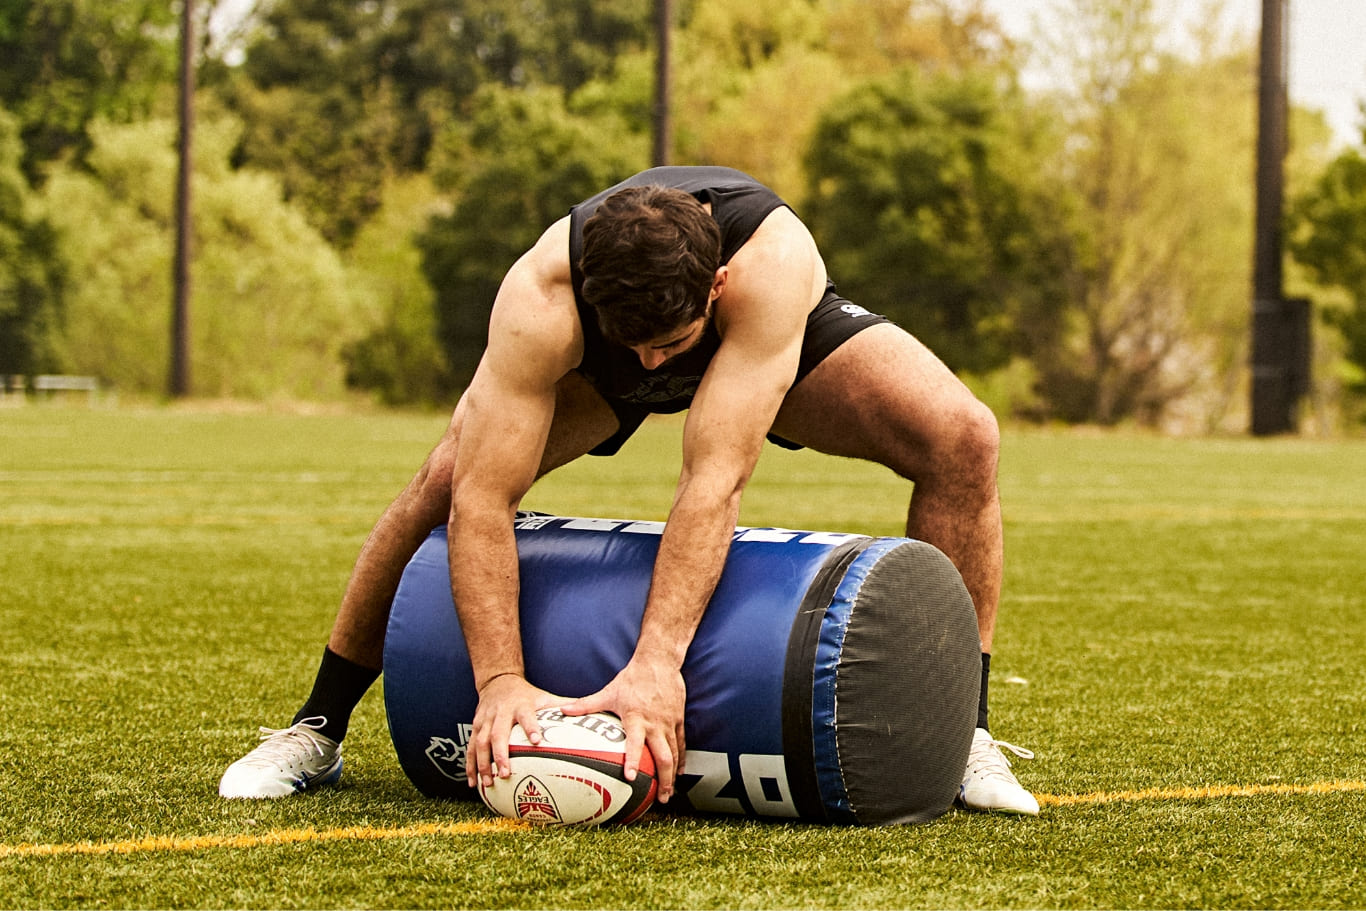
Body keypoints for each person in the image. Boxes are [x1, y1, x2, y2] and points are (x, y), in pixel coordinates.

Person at [218, 165, 1038, 815]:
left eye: (667, 346)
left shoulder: (769, 268)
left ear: (714, 284)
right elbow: (482, 503)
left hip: (753, 341)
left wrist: (655, 665)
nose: (654, 367)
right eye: (634, 345)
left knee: (964, 435)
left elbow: (712, 478)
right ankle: (317, 726)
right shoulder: (541, 298)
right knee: (444, 477)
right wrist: (499, 679)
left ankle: (964, 730)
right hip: (597, 360)